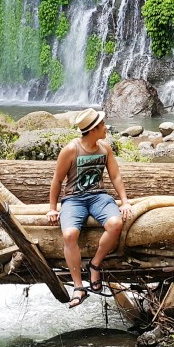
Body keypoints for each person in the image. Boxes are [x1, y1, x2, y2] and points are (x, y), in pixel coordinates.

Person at [47, 108, 133, 308]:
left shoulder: (105, 149)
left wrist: (125, 201)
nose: (106, 128)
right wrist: (52, 208)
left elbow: (115, 176)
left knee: (115, 223)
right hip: (73, 200)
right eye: (102, 125)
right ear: (93, 129)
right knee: (69, 235)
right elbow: (57, 180)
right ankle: (78, 287)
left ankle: (95, 265)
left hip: (99, 197)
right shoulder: (71, 149)